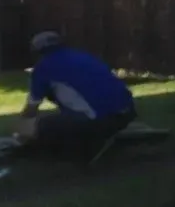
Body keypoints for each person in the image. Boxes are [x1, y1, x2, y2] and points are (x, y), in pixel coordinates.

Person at [16, 31, 137, 159]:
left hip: (99, 120)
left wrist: (21, 131)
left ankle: (77, 152)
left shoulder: (43, 68)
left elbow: (31, 110)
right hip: (127, 113)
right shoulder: (84, 57)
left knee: (43, 125)